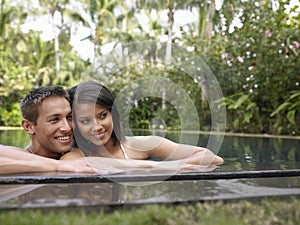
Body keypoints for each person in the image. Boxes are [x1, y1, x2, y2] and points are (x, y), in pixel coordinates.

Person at [63, 80, 223, 168]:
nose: (97, 126)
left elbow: (212, 157)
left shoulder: (140, 145)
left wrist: (175, 165)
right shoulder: (74, 158)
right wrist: (164, 168)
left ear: (113, 114)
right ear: (74, 124)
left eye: (103, 115)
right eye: (85, 121)